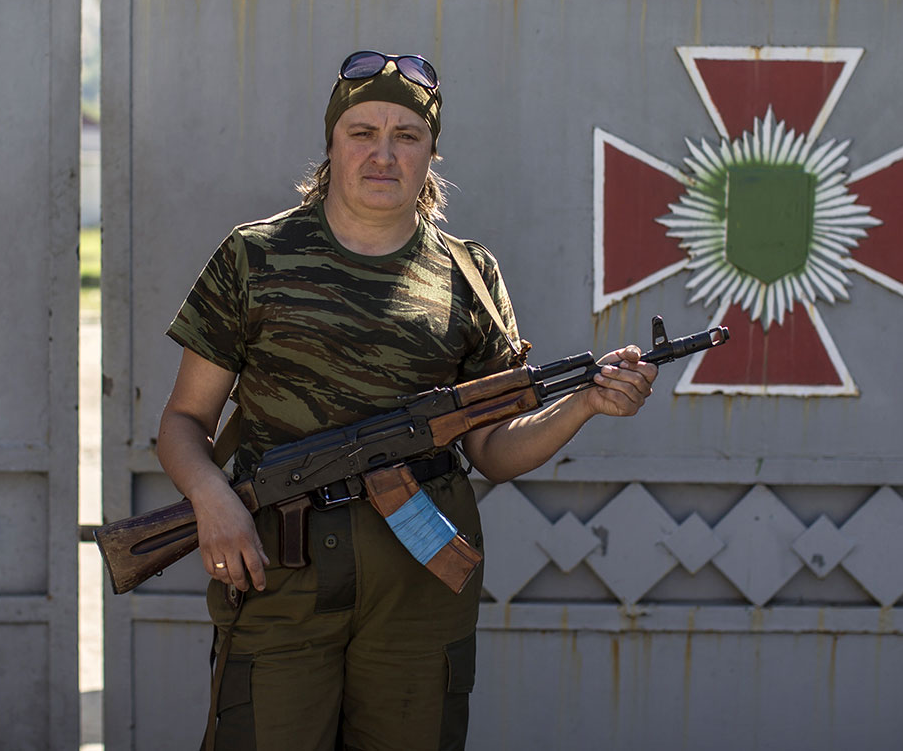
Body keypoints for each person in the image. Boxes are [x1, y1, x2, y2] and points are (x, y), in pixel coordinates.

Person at [156, 50, 659, 751]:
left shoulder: (471, 275)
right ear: (332, 144)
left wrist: (583, 404)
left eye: (406, 136)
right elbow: (183, 421)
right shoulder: (254, 257)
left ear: (431, 154)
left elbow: (492, 449)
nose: (383, 154)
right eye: (362, 132)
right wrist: (212, 503)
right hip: (280, 566)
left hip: (418, 581)